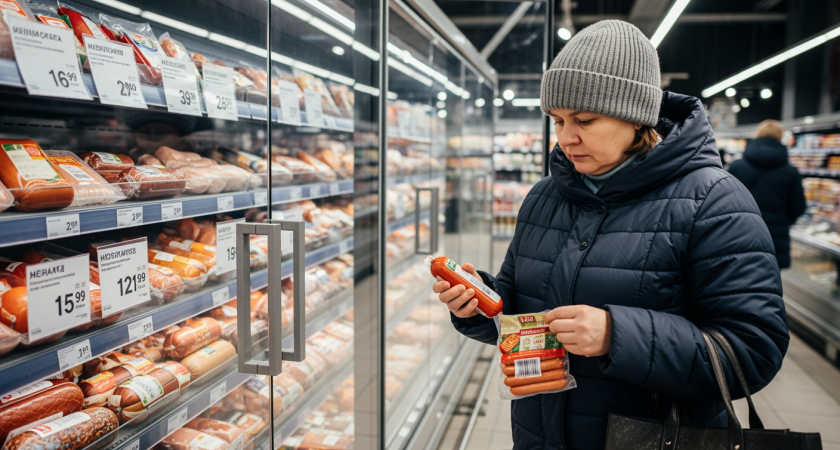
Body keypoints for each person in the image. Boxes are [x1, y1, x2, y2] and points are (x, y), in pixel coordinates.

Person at [433, 20, 789, 450]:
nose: (566, 138)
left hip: (654, 438)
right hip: (540, 437)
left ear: (636, 117)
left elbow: (754, 350)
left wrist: (616, 335)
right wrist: (480, 307)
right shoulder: (545, 197)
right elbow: (519, 316)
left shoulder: (714, 202)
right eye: (557, 120)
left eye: (584, 119)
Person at [728, 120, 807, 268]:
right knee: (771, 284)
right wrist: (781, 220)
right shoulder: (790, 172)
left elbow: (725, 201)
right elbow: (799, 207)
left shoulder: (737, 167)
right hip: (775, 238)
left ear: (757, 135)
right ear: (780, 137)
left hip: (741, 233)